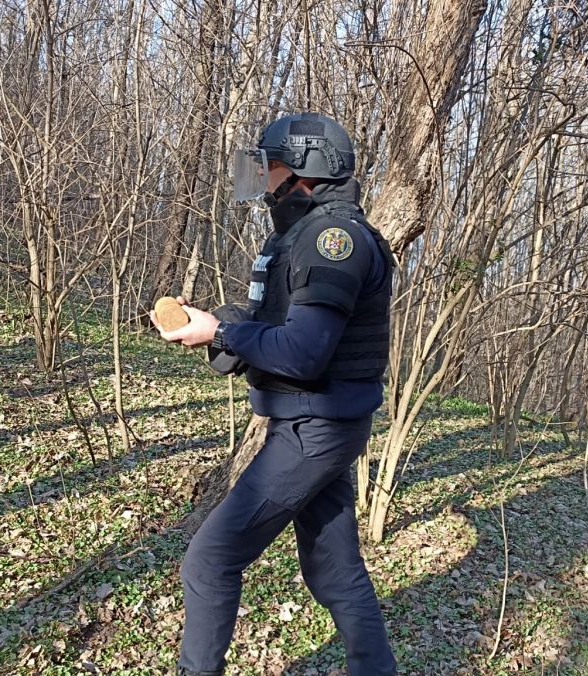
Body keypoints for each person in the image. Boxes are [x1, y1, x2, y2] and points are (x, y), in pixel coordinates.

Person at [150, 112, 398, 676]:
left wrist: (221, 333)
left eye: (271, 167)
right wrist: (218, 325)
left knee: (209, 561)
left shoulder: (333, 241)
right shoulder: (299, 236)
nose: (262, 180)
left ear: (305, 169)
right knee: (335, 573)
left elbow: (304, 352)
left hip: (315, 429)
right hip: (317, 425)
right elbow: (280, 324)